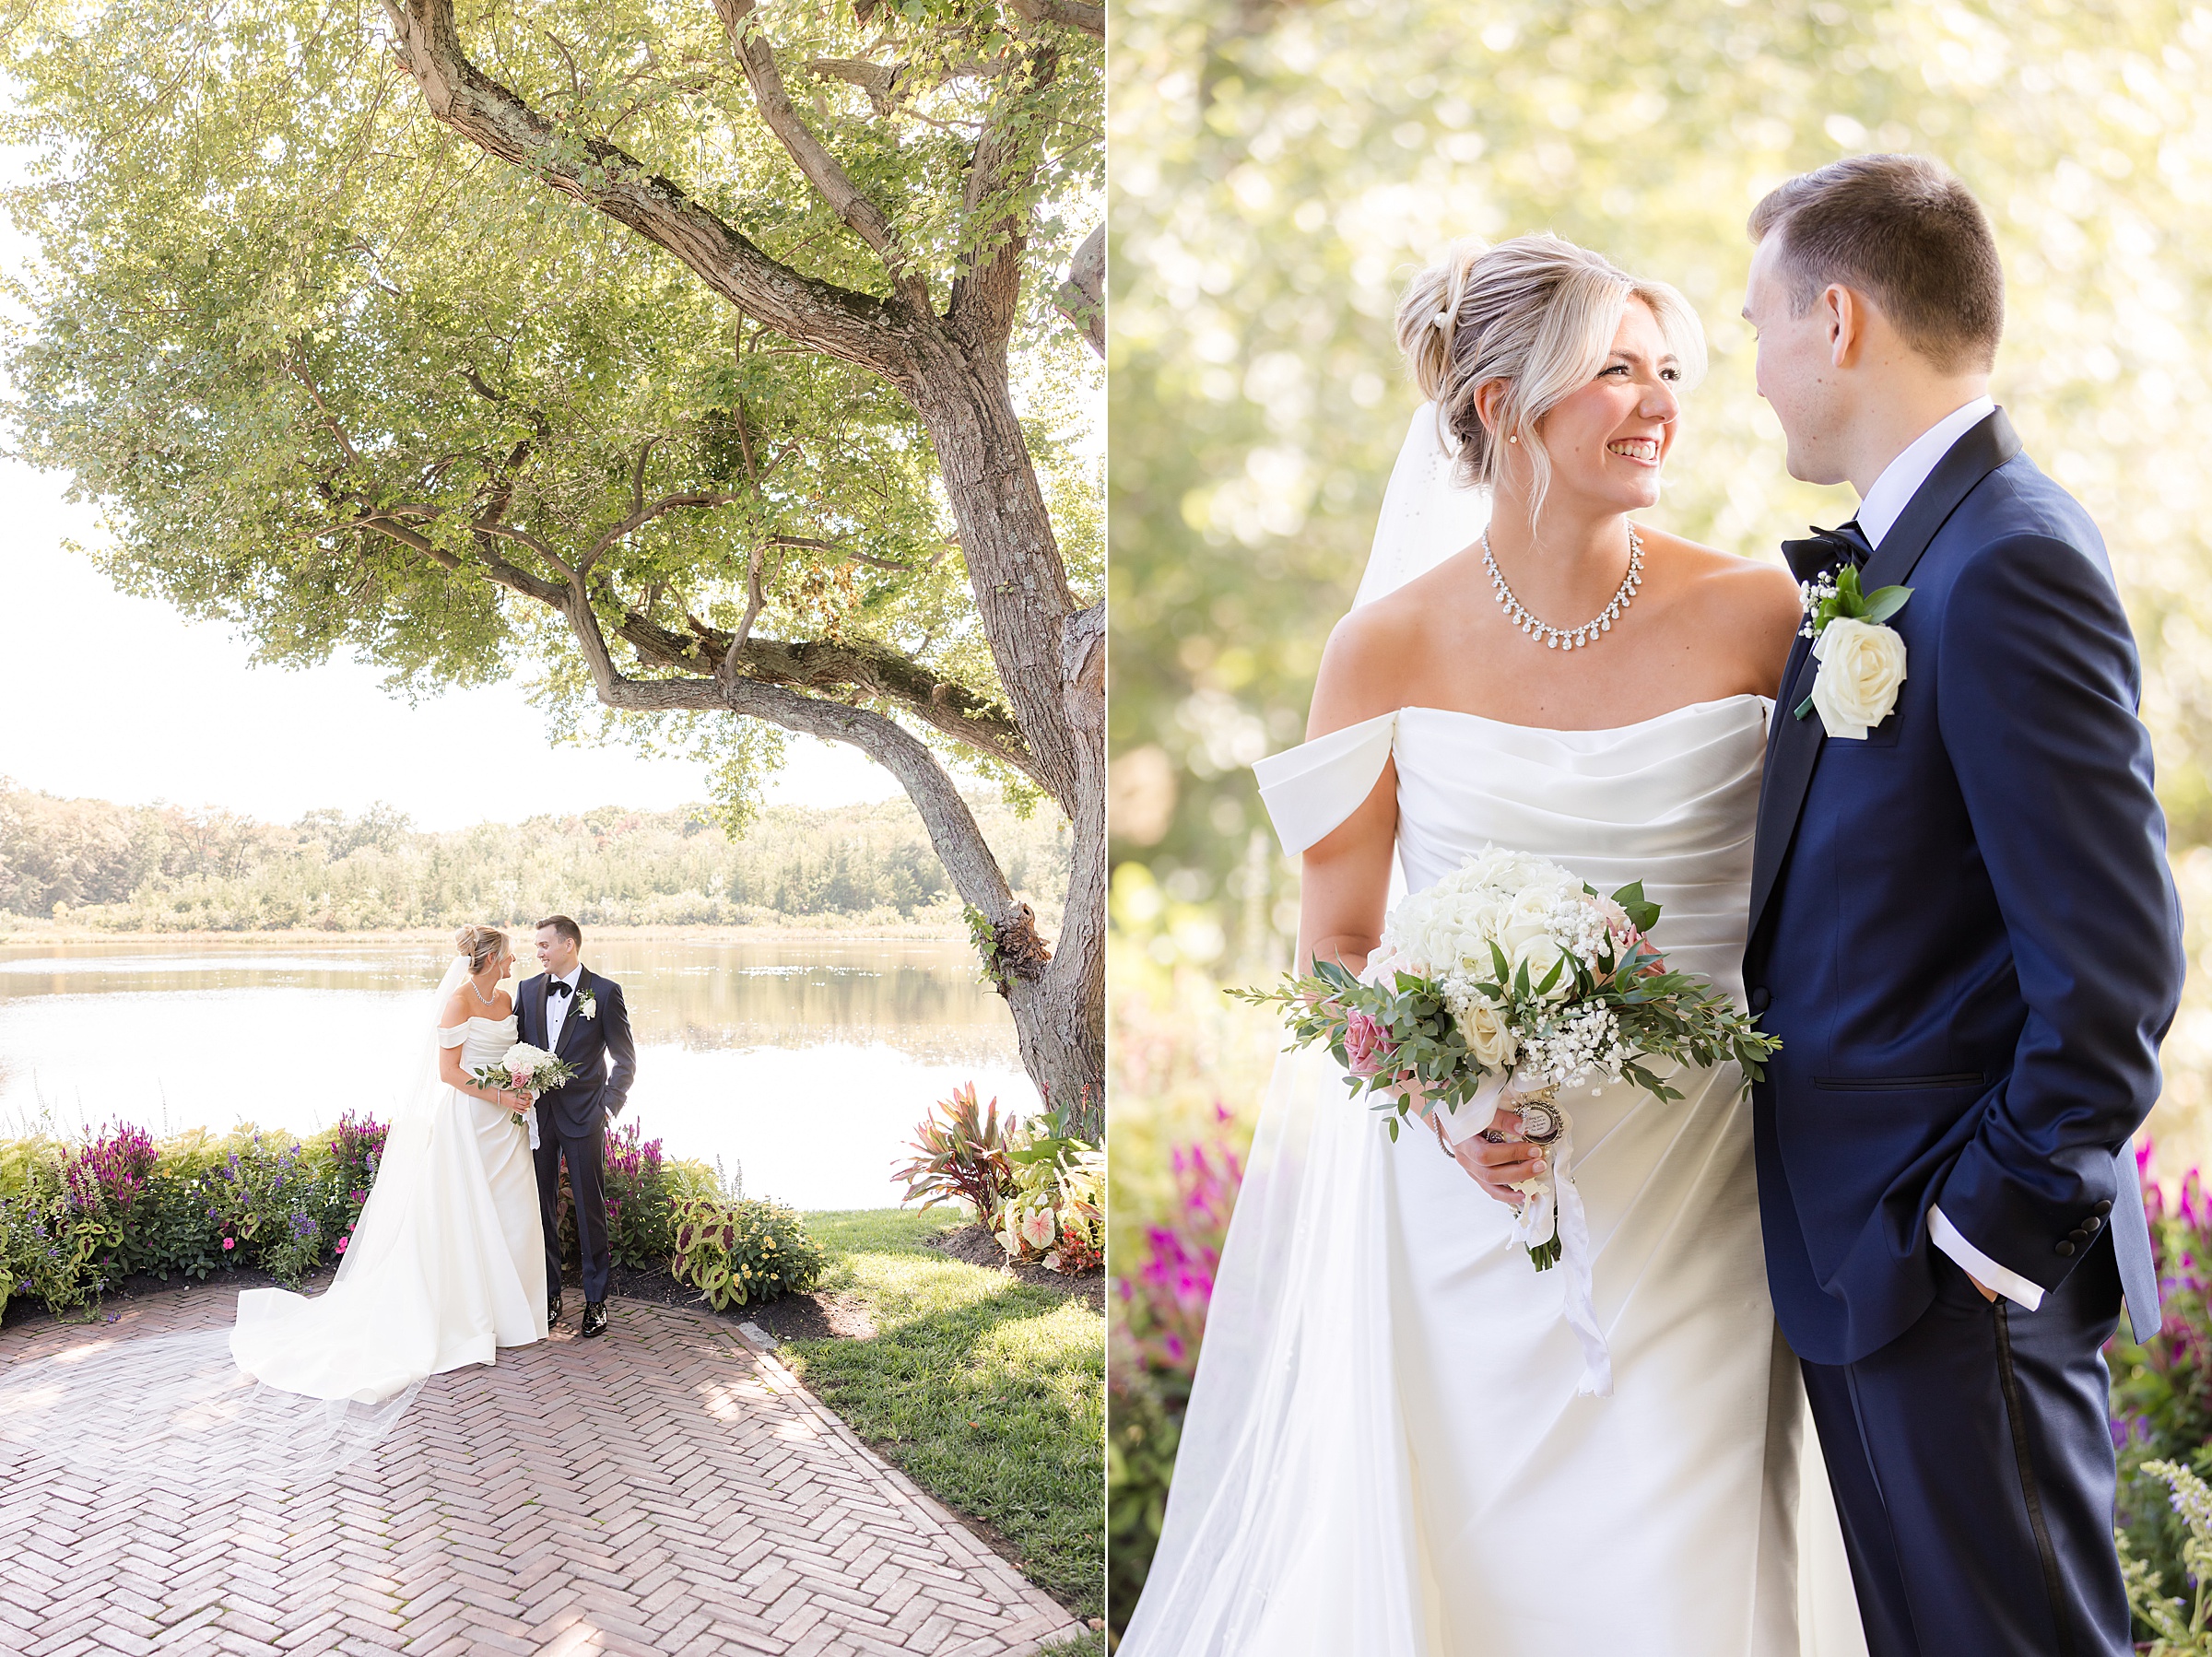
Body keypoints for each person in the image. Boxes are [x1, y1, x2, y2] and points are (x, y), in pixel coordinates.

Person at [1120, 233, 1866, 1655]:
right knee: (1480, 1579)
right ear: (1496, 406)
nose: (1656, 402)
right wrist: (1447, 1102)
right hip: (1476, 1190)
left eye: (1668, 369)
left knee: (1690, 1565)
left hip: (1708, 1182)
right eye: (1611, 372)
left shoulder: (1765, 616)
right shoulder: (1384, 647)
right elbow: (1339, 942)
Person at [1741, 153, 2182, 1657]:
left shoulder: (2009, 559)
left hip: (1954, 1271)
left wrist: (1982, 1231)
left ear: (1839, 321)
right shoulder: (1917, 556)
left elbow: (2113, 969)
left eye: (1758, 327)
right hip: (1872, 1266)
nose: (1753, 373)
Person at [228, 924, 550, 1400]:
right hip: (472, 1122)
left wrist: (523, 1084)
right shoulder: (459, 1001)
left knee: (512, 1214)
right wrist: (500, 1093)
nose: (515, 962)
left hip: (508, 1127)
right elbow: (449, 1072)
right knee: (465, 1214)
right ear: (489, 959)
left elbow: (509, 1054)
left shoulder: (506, 1002)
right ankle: (470, 1316)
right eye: (509, 956)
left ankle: (513, 1313)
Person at [514, 914, 636, 1340]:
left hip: (586, 1117)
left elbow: (625, 1061)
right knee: (541, 1208)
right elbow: (516, 1049)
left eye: (544, 945)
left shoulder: (604, 992)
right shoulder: (527, 990)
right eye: (536, 947)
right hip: (538, 1118)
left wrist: (607, 1108)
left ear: (568, 945)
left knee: (589, 1209)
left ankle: (596, 1301)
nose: (539, 952)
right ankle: (550, 1295)